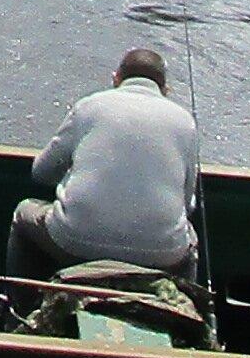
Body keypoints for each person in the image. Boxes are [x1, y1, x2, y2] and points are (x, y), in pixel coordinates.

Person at [11, 45, 203, 289]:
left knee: (23, 212)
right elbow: (187, 205)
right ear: (165, 90)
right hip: (161, 256)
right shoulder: (185, 122)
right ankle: (188, 316)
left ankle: (18, 312)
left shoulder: (89, 106)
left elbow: (41, 172)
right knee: (189, 240)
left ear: (116, 79)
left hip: (75, 242)